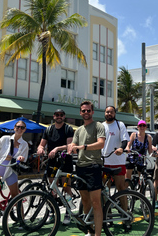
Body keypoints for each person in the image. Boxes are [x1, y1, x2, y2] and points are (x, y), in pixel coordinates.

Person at [68, 101, 106, 236]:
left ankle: (97, 234)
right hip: (80, 167)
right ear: (80, 113)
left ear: (92, 112)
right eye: (83, 111)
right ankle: (89, 231)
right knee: (85, 202)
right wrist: (69, 148)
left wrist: (83, 147)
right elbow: (73, 144)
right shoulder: (78, 130)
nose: (86, 113)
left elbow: (101, 144)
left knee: (96, 203)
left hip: (93, 166)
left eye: (88, 110)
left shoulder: (98, 125)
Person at [37, 109, 74, 225]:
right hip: (52, 162)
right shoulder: (48, 129)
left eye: (61, 115)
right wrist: (40, 148)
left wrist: (57, 148)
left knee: (67, 188)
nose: (59, 117)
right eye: (57, 115)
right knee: (53, 189)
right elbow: (42, 144)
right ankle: (52, 214)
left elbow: (70, 145)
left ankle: (68, 213)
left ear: (64, 117)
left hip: (65, 161)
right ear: (54, 116)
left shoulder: (68, 129)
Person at [102, 106, 130, 191]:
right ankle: (108, 204)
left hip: (118, 162)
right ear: (105, 113)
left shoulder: (120, 125)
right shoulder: (101, 126)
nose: (109, 114)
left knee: (121, 188)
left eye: (111, 112)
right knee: (105, 188)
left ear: (114, 113)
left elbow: (125, 140)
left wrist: (121, 148)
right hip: (104, 161)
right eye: (107, 112)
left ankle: (124, 205)